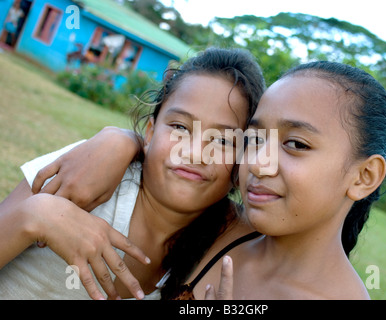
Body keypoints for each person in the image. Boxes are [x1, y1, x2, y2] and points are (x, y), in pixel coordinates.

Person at [33, 60, 386, 300]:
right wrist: (120, 139)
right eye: (253, 139)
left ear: (364, 176)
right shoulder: (227, 232)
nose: (259, 163)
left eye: (296, 144)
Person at [0, 47, 265, 300]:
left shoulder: (229, 239)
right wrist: (35, 215)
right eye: (180, 127)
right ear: (149, 132)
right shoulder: (89, 170)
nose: (195, 152)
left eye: (222, 141)